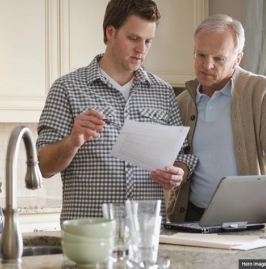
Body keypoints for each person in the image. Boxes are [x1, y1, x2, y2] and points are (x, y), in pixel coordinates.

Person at [36, 0, 198, 222]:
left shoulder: (163, 92)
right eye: (133, 38)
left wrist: (178, 172)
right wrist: (72, 141)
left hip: (146, 235)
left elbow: (182, 155)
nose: (142, 49)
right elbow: (44, 167)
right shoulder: (67, 88)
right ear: (110, 32)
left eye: (148, 41)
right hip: (90, 235)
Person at [167, 14, 266, 232]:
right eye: (201, 54)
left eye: (219, 58)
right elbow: (179, 158)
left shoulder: (262, 92)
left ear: (237, 59)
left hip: (246, 220)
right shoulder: (182, 102)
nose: (207, 65)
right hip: (189, 219)